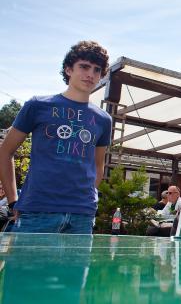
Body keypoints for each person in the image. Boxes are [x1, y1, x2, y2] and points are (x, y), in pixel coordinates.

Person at [0, 41, 112, 234]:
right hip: (37, 211)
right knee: (26, 266)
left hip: (82, 216)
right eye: (84, 67)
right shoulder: (37, 105)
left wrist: (86, 199)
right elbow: (5, 152)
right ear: (68, 69)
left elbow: (98, 165)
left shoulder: (103, 119)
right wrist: (12, 200)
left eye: (97, 70)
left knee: (76, 267)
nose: (91, 74)